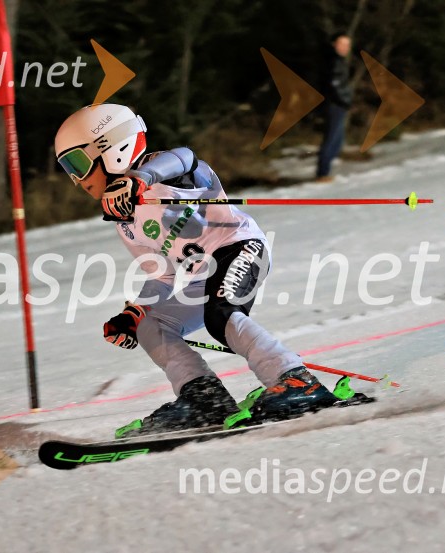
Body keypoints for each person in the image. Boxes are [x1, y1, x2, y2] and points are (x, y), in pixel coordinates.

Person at [54, 104, 338, 436]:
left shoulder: (164, 169)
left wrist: (138, 179)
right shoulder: (125, 219)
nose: (77, 180)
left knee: (221, 315)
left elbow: (187, 157)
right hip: (206, 273)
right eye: (68, 168)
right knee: (151, 325)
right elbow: (163, 273)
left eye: (78, 164)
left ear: (111, 149)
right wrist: (134, 313)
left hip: (241, 248)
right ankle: (204, 399)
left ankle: (296, 380)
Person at [316, 32, 352, 183]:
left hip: (338, 103)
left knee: (337, 140)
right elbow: (334, 84)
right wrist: (343, 100)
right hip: (335, 104)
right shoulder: (333, 61)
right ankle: (322, 173)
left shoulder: (337, 60)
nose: (345, 47)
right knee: (332, 138)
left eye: (347, 45)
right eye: (341, 44)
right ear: (334, 44)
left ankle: (325, 171)